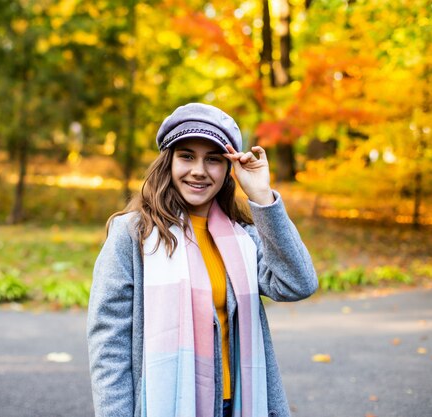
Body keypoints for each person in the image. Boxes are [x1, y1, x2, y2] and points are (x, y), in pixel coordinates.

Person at [87, 103, 318, 417]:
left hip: (238, 405)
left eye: (213, 159)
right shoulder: (132, 235)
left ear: (227, 170)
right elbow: (109, 345)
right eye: (186, 156)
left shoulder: (245, 238)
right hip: (162, 405)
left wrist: (263, 197)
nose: (199, 170)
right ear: (167, 162)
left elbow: (298, 283)